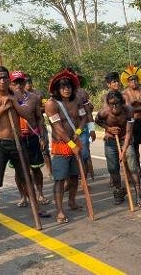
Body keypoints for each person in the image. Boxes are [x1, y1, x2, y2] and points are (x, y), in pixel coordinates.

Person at [0, 65, 34, 232]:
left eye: (5, 77)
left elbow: (28, 115)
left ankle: (36, 209)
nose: (2, 81)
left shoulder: (16, 94)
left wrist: (13, 104)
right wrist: (2, 109)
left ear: (9, 79)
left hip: (17, 142)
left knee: (27, 178)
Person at [44, 69, 86, 223]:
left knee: (75, 177)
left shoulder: (77, 100)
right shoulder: (51, 104)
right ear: (57, 89)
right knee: (60, 179)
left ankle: (72, 201)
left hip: (76, 142)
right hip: (61, 145)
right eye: (62, 86)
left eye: (68, 86)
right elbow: (57, 128)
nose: (66, 89)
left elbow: (83, 117)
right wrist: (70, 143)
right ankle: (60, 211)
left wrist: (79, 131)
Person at [96, 91, 141, 207]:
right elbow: (97, 121)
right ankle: (119, 192)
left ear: (122, 103)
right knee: (113, 169)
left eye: (117, 103)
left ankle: (138, 196)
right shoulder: (104, 112)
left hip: (126, 140)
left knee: (133, 168)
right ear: (108, 104)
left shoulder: (129, 111)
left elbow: (129, 132)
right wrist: (108, 129)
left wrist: (123, 151)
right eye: (111, 104)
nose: (114, 106)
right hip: (110, 141)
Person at [9, 71, 50, 207]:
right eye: (15, 83)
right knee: (19, 170)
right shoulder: (7, 98)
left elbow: (39, 118)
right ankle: (23, 196)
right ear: (11, 84)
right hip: (16, 138)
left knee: (36, 169)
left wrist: (42, 137)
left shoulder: (33, 98)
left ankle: (40, 194)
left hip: (32, 137)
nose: (19, 85)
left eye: (21, 82)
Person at [24, 76, 53, 181]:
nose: (28, 84)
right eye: (26, 82)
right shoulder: (19, 97)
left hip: (39, 126)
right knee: (28, 153)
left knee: (45, 150)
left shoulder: (38, 94)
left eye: (29, 82)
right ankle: (30, 172)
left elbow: (45, 107)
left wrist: (36, 109)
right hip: (26, 129)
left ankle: (50, 172)